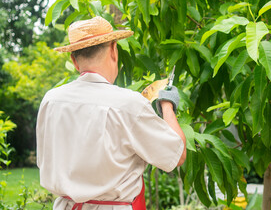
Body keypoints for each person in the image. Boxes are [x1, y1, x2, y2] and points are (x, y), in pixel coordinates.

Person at [36, 16, 186, 210]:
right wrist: (167, 105)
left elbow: (45, 160)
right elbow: (177, 154)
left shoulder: (50, 100)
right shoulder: (129, 104)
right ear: (114, 50)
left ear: (74, 60)